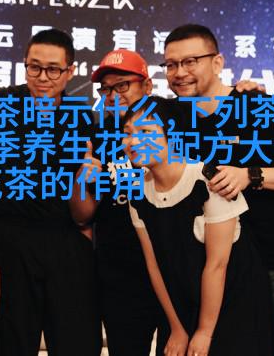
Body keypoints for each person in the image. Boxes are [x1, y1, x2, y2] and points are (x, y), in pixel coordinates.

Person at [162, 23, 274, 355]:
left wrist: (251, 175)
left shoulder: (258, 106)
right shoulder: (175, 117)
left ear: (217, 62)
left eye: (190, 61)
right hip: (231, 267)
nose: (179, 72)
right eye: (170, 64)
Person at [0, 29, 102, 356]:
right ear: (25, 65)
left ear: (70, 71)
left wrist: (80, 182)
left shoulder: (82, 118)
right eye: (35, 67)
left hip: (66, 244)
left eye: (53, 69)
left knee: (77, 343)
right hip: (7, 244)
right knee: (9, 344)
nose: (43, 77)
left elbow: (84, 211)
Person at [123, 96, 274, 356]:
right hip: (184, 302)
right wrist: (177, 328)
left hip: (235, 302)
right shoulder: (137, 191)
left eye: (145, 132)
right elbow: (154, 265)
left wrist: (204, 332)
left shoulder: (209, 181)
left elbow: (217, 265)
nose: (133, 141)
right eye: (127, 133)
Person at [70, 49, 163, 356]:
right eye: (106, 89)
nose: (113, 95)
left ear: (147, 85)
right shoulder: (96, 139)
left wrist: (244, 90)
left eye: (122, 85)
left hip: (174, 269)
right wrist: (80, 179)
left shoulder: (175, 125)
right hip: (120, 274)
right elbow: (82, 215)